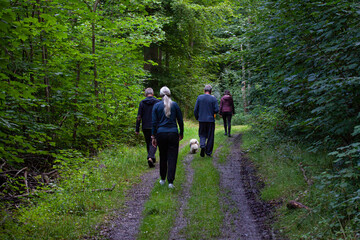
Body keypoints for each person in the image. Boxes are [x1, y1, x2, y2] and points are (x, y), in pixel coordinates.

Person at [151, 86, 184, 189]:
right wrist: (181, 132)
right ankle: (170, 182)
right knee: (172, 157)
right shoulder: (175, 105)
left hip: (161, 134)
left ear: (160, 95)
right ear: (170, 94)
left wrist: (153, 136)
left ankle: (162, 179)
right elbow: (180, 121)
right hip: (173, 133)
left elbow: (154, 123)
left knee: (163, 156)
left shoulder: (156, 106)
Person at [136, 88, 160, 168]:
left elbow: (139, 116)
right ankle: (150, 157)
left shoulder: (142, 103)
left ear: (145, 94)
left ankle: (151, 158)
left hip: (145, 126)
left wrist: (137, 128)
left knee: (148, 142)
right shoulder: (157, 102)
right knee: (154, 142)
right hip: (155, 125)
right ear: (152, 94)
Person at [194, 84, 219, 157]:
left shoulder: (199, 98)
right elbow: (216, 110)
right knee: (210, 136)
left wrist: (197, 117)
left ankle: (202, 145)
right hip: (210, 120)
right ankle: (208, 152)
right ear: (211, 91)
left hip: (201, 120)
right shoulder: (213, 99)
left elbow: (195, 109)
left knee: (202, 134)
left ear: (204, 90)